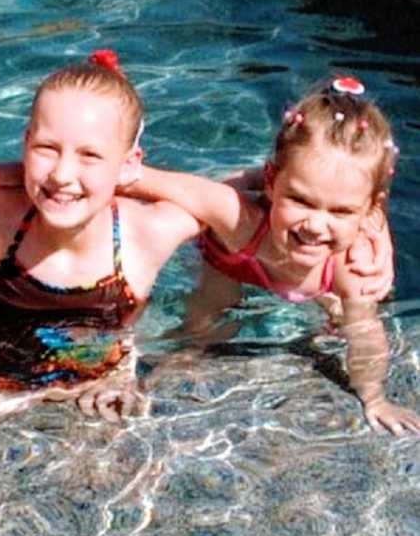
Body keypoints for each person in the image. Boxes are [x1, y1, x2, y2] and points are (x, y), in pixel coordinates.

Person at [124, 76, 419, 436]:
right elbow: (141, 179)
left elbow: (366, 336)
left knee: (352, 315)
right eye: (301, 200)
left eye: (340, 211)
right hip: (236, 257)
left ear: (370, 211)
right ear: (271, 182)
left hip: (310, 258)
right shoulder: (240, 220)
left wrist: (374, 398)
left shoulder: (354, 264)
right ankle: (189, 351)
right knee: (208, 318)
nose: (315, 224)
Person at [0, 49, 201, 419]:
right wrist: (13, 172)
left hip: (103, 391)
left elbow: (239, 207)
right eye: (46, 149)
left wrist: (132, 179)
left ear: (129, 163)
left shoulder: (146, 234)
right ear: (25, 145)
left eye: (90, 155)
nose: (61, 174)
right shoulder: (0, 215)